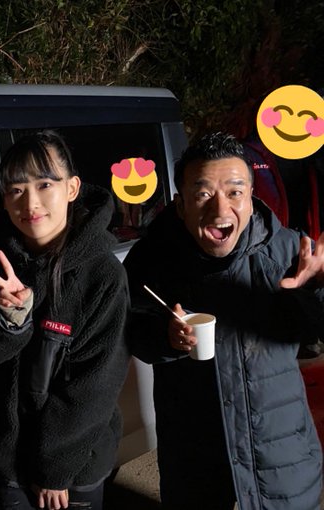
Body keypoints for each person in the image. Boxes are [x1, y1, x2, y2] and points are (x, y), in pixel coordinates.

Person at [124, 132, 323, 510]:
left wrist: (317, 289)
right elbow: (131, 331)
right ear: (181, 205)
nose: (220, 210)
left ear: (251, 197)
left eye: (235, 192)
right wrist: (166, 338)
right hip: (193, 455)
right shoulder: (151, 260)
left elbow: (315, 328)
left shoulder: (288, 250)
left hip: (278, 452)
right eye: (203, 194)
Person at [0, 131, 130, 510]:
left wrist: (55, 468)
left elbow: (94, 385)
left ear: (72, 188)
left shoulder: (103, 275)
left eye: (45, 184)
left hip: (75, 461)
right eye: (15, 190)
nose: (30, 203)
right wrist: (11, 322)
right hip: (6, 456)